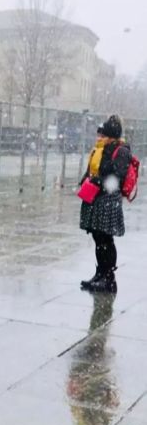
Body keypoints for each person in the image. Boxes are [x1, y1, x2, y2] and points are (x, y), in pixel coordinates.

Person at [80, 115, 131, 294]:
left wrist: (97, 182)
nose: (99, 138)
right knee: (97, 237)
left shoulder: (121, 151)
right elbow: (93, 170)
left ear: (111, 136)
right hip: (95, 197)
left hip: (108, 199)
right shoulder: (100, 149)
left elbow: (117, 176)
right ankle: (100, 273)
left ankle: (108, 278)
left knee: (105, 239)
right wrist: (86, 181)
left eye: (103, 135)